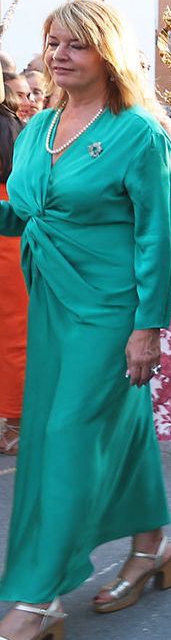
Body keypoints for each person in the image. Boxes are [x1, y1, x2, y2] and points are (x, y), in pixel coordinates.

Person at [0, 0, 171, 640]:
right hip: (51, 298)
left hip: (111, 309)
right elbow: (24, 211)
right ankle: (152, 545)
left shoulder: (139, 132)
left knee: (65, 438)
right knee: (112, 429)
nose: (59, 55)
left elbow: (155, 235)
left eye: (75, 44)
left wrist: (148, 327)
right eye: (51, 43)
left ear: (106, 51)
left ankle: (37, 599)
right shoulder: (36, 127)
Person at [0, 78, 27, 454]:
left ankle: (17, 422)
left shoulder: (15, 126)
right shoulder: (18, 124)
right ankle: (16, 421)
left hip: (11, 221)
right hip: (15, 223)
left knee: (14, 328)